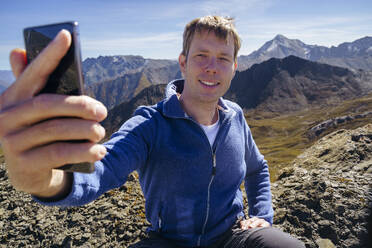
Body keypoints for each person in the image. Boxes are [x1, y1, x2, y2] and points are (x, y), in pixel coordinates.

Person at [0, 16, 304, 247]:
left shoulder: (235, 117)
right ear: (183, 63)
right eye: (201, 56)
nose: (212, 67)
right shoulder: (150, 124)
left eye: (223, 58)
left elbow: (257, 168)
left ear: (234, 68)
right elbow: (102, 169)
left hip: (232, 236)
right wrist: (48, 180)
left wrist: (262, 215)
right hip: (168, 241)